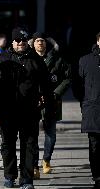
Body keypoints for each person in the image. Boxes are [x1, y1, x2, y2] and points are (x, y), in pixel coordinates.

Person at [0, 27, 50, 189]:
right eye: (18, 40)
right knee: (8, 144)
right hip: (7, 110)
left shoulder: (36, 60)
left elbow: (46, 85)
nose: (21, 43)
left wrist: (45, 102)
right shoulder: (1, 59)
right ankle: (9, 176)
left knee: (30, 145)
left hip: (30, 111)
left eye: (24, 40)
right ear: (12, 41)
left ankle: (26, 179)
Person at [28, 32, 71, 179]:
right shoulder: (28, 59)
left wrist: (56, 93)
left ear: (46, 43)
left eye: (42, 41)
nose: (40, 43)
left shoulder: (57, 60)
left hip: (52, 101)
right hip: (32, 103)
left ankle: (46, 159)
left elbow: (67, 78)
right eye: (37, 41)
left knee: (51, 135)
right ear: (33, 44)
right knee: (31, 136)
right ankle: (34, 166)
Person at [72, 32, 100, 189]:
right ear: (98, 41)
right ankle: (97, 176)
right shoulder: (86, 60)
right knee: (95, 145)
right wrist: (85, 102)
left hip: (92, 107)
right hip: (93, 109)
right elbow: (77, 85)